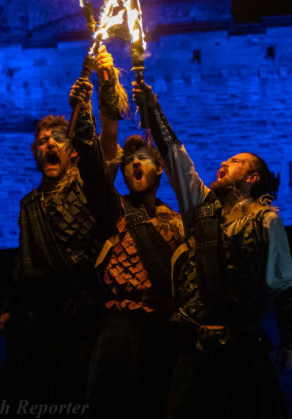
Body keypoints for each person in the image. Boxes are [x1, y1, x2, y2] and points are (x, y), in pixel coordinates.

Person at [132, 81, 292, 419]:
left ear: (253, 178)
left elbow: (285, 283)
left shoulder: (266, 221)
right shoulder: (201, 207)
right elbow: (177, 160)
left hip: (240, 349)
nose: (224, 162)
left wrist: (289, 340)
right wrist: (153, 111)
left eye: (236, 161)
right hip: (194, 349)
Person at [68, 54, 184, 419]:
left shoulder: (180, 222)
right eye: (129, 159)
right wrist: (98, 95)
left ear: (159, 168)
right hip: (119, 332)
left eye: (144, 158)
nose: (135, 163)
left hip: (166, 331)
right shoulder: (113, 209)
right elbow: (90, 158)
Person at [0, 111, 113, 417]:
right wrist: (10, 305)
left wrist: (92, 101)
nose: (49, 145)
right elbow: (23, 260)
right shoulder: (30, 204)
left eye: (58, 140)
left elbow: (103, 147)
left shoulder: (91, 188)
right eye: (43, 141)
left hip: (80, 316)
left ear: (72, 150)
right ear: (35, 151)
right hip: (33, 320)